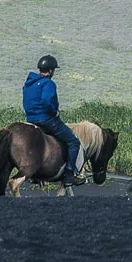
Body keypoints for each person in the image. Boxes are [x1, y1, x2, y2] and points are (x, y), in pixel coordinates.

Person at [22, 55, 86, 187]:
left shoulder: (29, 84)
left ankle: (34, 175)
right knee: (73, 142)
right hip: (46, 119)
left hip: (31, 119)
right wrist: (54, 111)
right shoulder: (49, 83)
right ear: (50, 71)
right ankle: (69, 175)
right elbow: (47, 101)